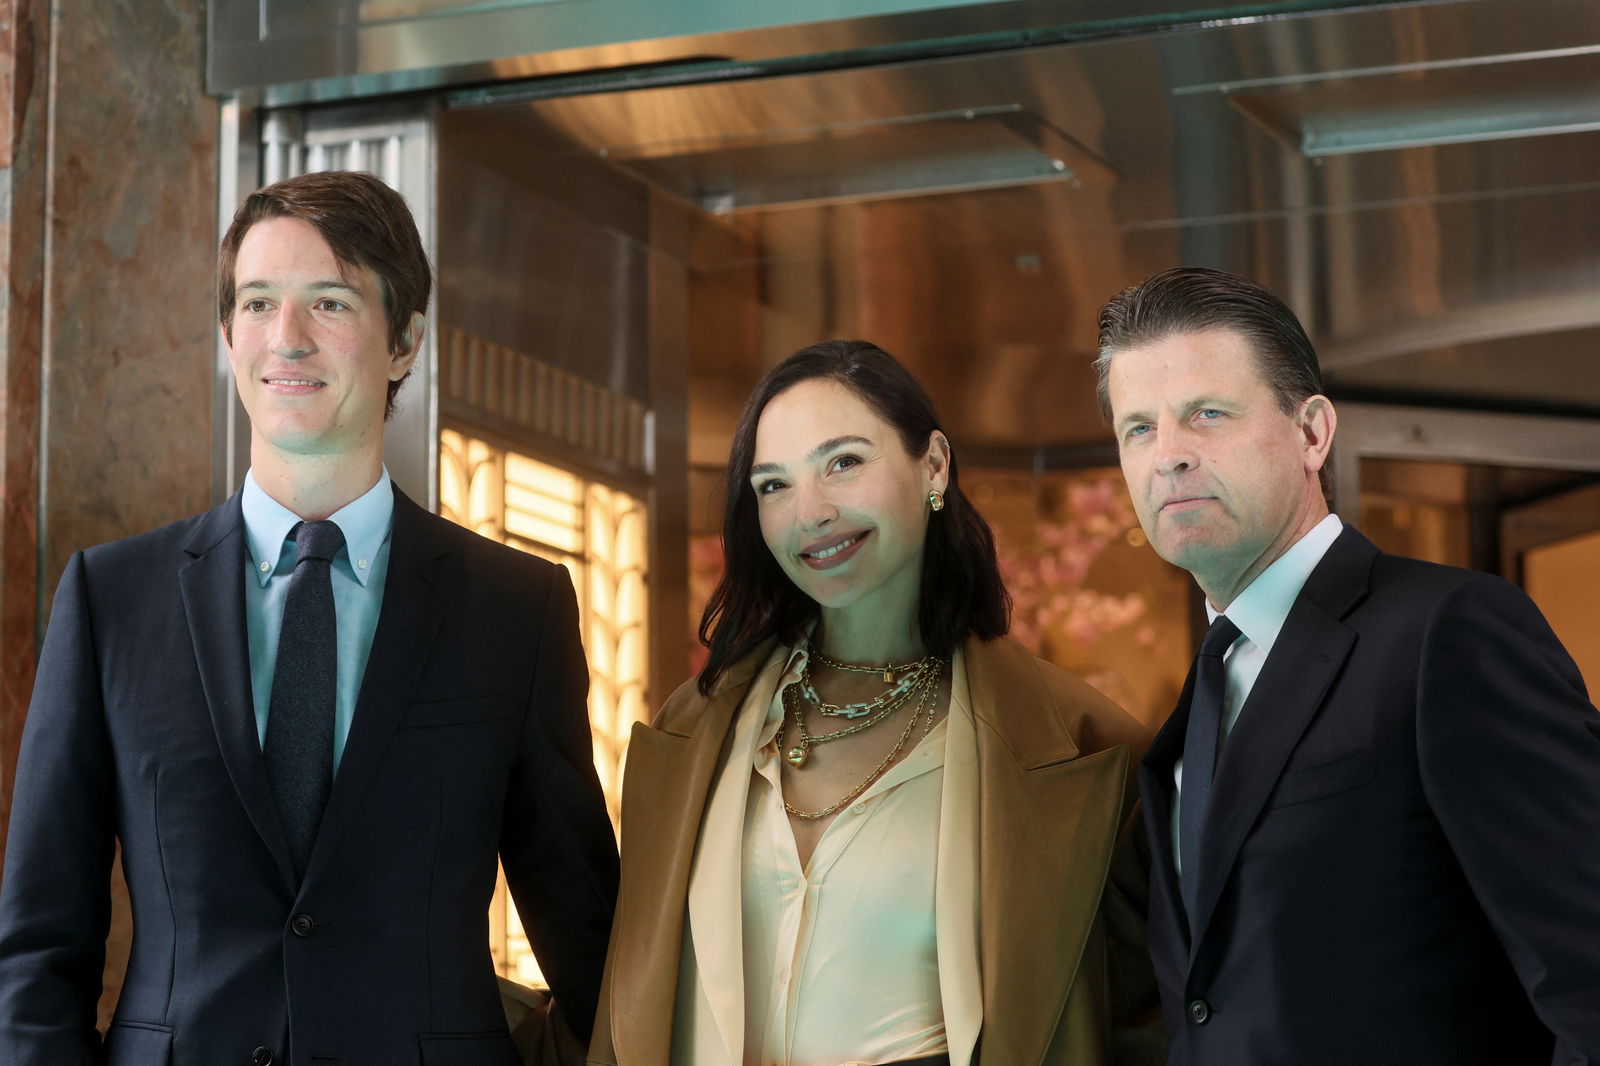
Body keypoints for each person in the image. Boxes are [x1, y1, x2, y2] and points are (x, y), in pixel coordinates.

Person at [0, 170, 619, 1065]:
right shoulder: (111, 599)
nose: (284, 339)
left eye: (328, 302)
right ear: (227, 334)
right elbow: (39, 948)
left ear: (405, 341)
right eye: (257, 303)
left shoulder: (514, 611)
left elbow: (590, 943)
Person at [588, 339, 1162, 1066]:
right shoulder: (690, 729)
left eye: (844, 463)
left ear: (934, 466)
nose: (811, 512)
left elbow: (1140, 1025)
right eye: (773, 485)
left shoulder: (1084, 749)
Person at [1097, 265, 1600, 1066]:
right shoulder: (1196, 703)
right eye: (1139, 429)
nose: (1170, 456)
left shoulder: (1448, 632)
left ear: (1312, 433)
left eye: (1207, 414)